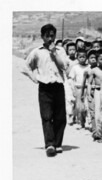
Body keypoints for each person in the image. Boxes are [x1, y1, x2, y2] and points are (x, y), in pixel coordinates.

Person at [23, 24, 69, 156]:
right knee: (47, 116)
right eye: (47, 36)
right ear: (42, 37)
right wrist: (35, 78)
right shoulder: (37, 51)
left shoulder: (60, 50)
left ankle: (58, 143)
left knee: (60, 117)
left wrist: (54, 53)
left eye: (52, 35)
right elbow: (26, 67)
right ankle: (50, 144)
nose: (50, 38)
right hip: (44, 87)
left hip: (58, 85)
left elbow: (64, 66)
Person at [69, 49, 88, 129]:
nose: (82, 58)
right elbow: (71, 79)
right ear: (77, 58)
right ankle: (80, 122)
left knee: (86, 105)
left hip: (87, 88)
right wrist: (73, 89)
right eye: (80, 57)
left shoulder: (89, 67)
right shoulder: (75, 68)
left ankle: (87, 121)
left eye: (84, 57)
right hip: (78, 88)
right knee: (79, 106)